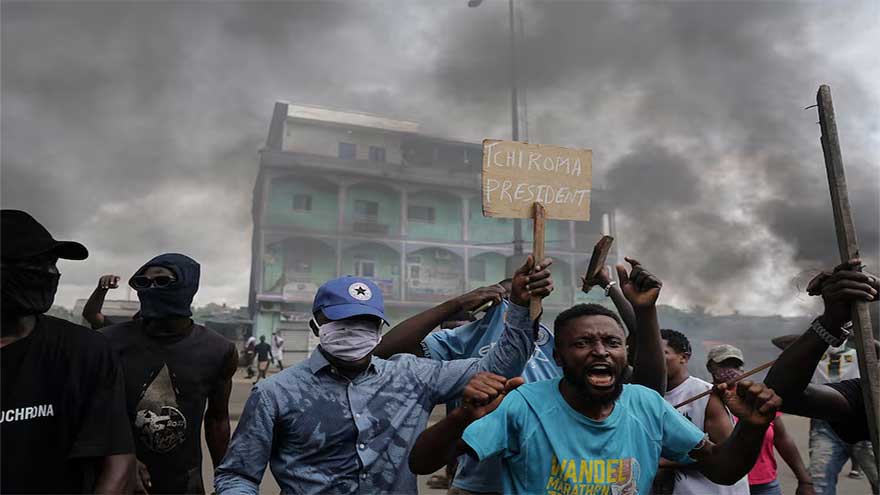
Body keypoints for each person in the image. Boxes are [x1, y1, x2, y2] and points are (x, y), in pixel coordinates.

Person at [409, 260, 783, 495]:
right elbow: (422, 464)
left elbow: (724, 468)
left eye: (611, 342)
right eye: (583, 343)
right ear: (557, 356)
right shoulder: (524, 404)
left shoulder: (646, 404)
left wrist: (750, 427)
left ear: (624, 353)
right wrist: (461, 417)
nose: (600, 351)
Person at [214, 255, 554, 494]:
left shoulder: (414, 376)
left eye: (364, 323)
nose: (353, 331)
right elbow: (237, 476)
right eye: (342, 322)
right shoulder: (275, 393)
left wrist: (521, 307)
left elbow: (499, 366)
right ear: (316, 326)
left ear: (379, 328)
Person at [375, 259, 666, 495]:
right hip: (482, 481)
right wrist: (457, 303)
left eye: (525, 296)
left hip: (550, 479)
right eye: (507, 297)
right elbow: (384, 353)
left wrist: (632, 301)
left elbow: (641, 378)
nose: (513, 305)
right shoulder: (461, 340)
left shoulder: (561, 343)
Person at [0, 209, 135, 493]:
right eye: (34, 263)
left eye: (52, 263)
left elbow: (116, 458)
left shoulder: (86, 351)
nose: (51, 272)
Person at [102, 253, 238, 494]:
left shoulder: (218, 350)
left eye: (163, 281)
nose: (152, 288)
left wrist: (225, 479)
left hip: (184, 483)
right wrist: (119, 456)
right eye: (143, 283)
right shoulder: (109, 342)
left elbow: (217, 419)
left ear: (187, 285)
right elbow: (91, 413)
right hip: (120, 480)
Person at [764, 258, 879, 495]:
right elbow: (782, 393)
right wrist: (829, 323)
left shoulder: (859, 350)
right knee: (820, 485)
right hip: (830, 421)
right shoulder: (869, 394)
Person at [706, 344, 814, 495]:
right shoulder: (704, 399)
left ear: (742, 369)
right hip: (723, 485)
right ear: (711, 368)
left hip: (765, 485)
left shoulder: (757, 396)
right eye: (724, 365)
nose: (731, 370)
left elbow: (782, 439)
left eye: (735, 365)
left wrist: (804, 479)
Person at [653, 330, 750, 495]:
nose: (653, 359)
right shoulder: (646, 395)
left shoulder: (706, 395)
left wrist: (661, 461)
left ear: (683, 357)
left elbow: (726, 453)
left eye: (662, 353)